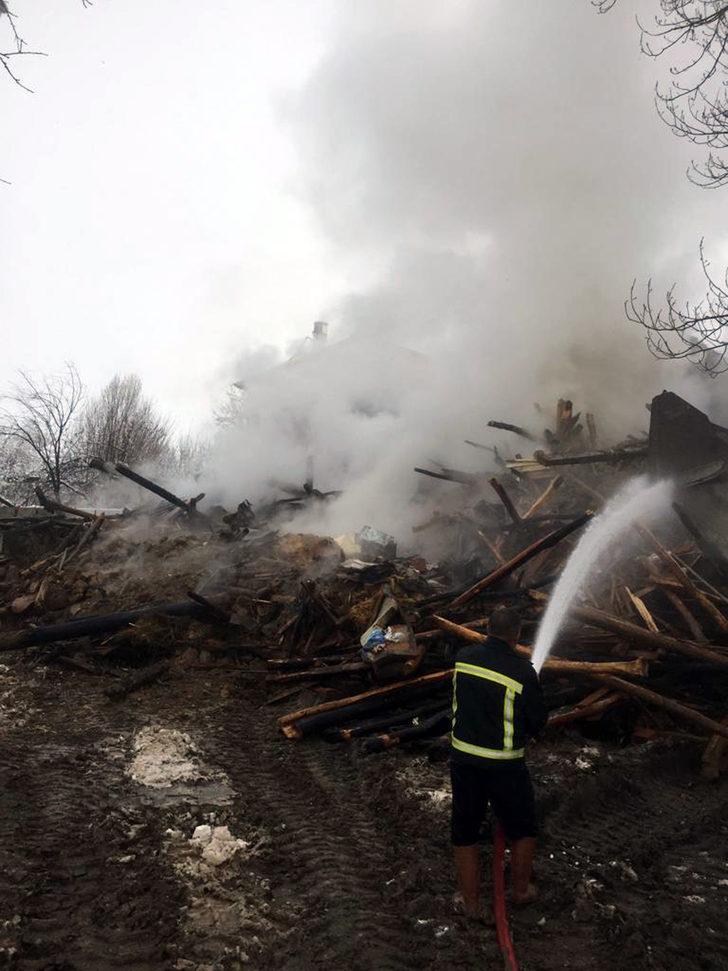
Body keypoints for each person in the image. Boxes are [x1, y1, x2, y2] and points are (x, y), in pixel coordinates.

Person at [450, 605, 547, 918]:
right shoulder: (523, 672)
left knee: (465, 830)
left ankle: (471, 903)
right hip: (505, 765)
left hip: (464, 760)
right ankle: (520, 892)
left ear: (487, 628)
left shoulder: (463, 659)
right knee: (523, 827)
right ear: (516, 635)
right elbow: (536, 723)